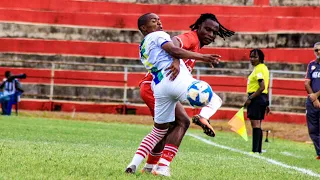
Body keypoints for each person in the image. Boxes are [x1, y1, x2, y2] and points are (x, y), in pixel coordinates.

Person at [125, 13, 224, 176]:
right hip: (163, 83)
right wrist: (185, 59)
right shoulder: (188, 37)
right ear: (198, 27)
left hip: (158, 85)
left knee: (161, 130)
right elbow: (175, 44)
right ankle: (202, 116)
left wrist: (177, 58)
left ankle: (140, 166)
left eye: (214, 33)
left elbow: (170, 50)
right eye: (207, 29)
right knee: (199, 109)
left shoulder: (144, 43)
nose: (211, 35)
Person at [244, 49, 270, 154]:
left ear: (260, 58)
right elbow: (266, 87)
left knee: (255, 124)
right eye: (251, 56)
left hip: (256, 97)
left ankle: (255, 150)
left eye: (255, 57)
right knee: (258, 124)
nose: (252, 59)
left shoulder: (259, 69)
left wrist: (250, 98)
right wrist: (267, 103)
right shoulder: (264, 68)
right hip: (262, 98)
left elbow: (262, 86)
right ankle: (258, 150)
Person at [304, 42, 320, 160]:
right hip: (312, 101)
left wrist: (316, 96)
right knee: (313, 129)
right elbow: (306, 82)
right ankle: (319, 152)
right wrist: (312, 97)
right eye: (316, 50)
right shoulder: (311, 64)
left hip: (316, 99)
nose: (318, 52)